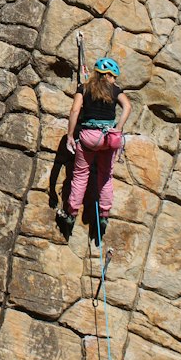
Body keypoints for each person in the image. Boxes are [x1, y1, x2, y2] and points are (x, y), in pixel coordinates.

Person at [56, 57, 131, 239]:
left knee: (81, 175)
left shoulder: (84, 88)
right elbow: (127, 106)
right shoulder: (115, 90)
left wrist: (70, 135)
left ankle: (71, 214)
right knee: (106, 176)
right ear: (109, 75)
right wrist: (118, 128)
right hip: (109, 139)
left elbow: (75, 111)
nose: (114, 81)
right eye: (113, 77)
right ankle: (104, 216)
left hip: (89, 138)